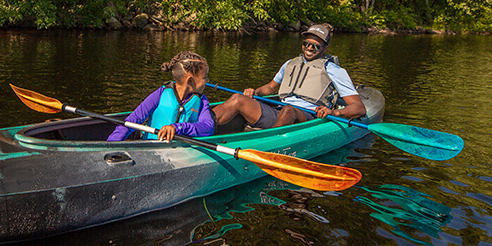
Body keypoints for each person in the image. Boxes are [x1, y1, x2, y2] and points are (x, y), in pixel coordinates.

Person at [211, 24, 367, 130]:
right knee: (238, 99)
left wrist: (333, 113)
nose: (310, 48)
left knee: (289, 110)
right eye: (307, 43)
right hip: (279, 111)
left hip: (307, 116)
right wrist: (254, 93)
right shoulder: (290, 64)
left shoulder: (333, 70)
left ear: (325, 48)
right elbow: (270, 88)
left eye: (316, 45)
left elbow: (358, 108)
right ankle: (202, 127)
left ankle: (269, 143)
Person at [107, 51, 215, 142]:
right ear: (190, 81)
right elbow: (134, 120)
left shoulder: (202, 100)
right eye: (205, 77)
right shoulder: (160, 93)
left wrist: (177, 128)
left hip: (182, 151)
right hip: (150, 147)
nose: (207, 80)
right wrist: (111, 144)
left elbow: (208, 127)